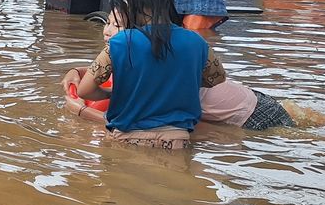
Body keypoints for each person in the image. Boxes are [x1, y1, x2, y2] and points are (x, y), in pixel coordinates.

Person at [69, 0, 226, 149]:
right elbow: (217, 78)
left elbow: (84, 91)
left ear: (125, 4)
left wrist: (111, 92)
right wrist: (177, 83)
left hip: (127, 139)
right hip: (177, 140)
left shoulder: (120, 42)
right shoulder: (196, 41)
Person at [64, 9, 299, 131]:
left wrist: (79, 111)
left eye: (117, 26)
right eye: (108, 22)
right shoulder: (153, 53)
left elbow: (125, 124)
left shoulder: (150, 65)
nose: (107, 31)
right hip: (250, 102)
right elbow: (106, 73)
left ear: (136, 34)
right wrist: (77, 70)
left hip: (255, 116)